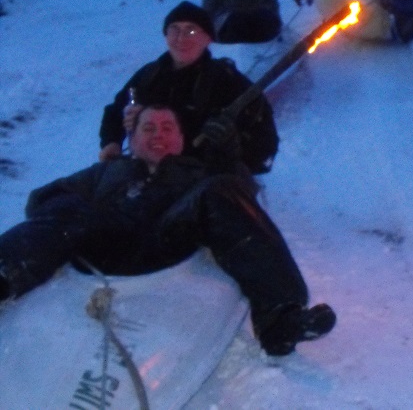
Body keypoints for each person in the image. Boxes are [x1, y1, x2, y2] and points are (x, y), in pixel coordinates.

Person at [0, 105, 336, 357]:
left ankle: (280, 320)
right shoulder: (107, 172)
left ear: (181, 140)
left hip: (163, 238)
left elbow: (241, 196)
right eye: (148, 128)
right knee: (64, 205)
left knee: (221, 190)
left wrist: (228, 157)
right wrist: (71, 206)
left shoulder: (196, 172)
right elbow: (42, 198)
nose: (157, 134)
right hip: (103, 239)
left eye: (167, 128)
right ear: (133, 139)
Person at [98, 1, 279, 175]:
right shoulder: (150, 76)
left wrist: (231, 145)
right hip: (150, 175)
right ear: (166, 35)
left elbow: (264, 151)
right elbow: (115, 111)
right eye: (174, 30)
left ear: (207, 39)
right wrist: (111, 142)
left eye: (191, 30)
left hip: (207, 179)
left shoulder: (228, 82)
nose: (181, 38)